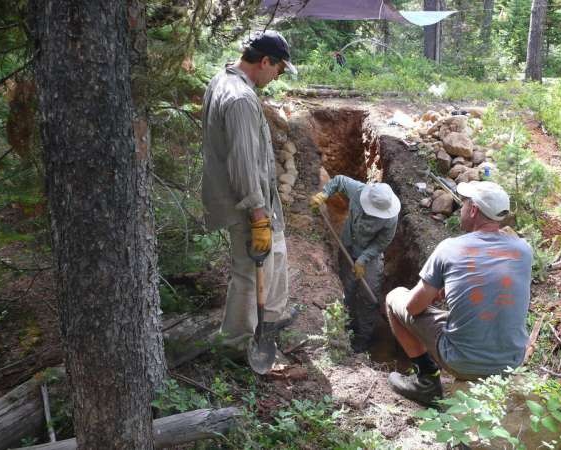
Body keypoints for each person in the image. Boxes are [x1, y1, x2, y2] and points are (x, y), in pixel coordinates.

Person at [385, 181, 532, 406]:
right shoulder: (523, 250)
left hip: (464, 361)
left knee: (395, 297)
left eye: (463, 203)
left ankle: (427, 380)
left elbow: (412, 308)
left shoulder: (450, 248)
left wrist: (430, 294)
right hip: (512, 360)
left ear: (473, 210)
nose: (460, 208)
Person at [201, 30, 298, 364]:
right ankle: (238, 345)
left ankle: (269, 323)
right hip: (246, 203)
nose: (278, 75)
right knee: (249, 272)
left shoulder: (224, 80)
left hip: (256, 200)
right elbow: (242, 163)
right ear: (265, 61)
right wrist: (257, 214)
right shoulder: (240, 99)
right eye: (279, 69)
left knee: (276, 258)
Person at [310, 175, 400, 352]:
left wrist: (363, 260)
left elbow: (382, 242)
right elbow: (339, 180)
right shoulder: (359, 191)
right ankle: (346, 328)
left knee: (368, 296)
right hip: (347, 248)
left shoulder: (390, 218)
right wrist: (324, 194)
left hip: (370, 256)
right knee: (346, 290)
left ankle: (363, 339)